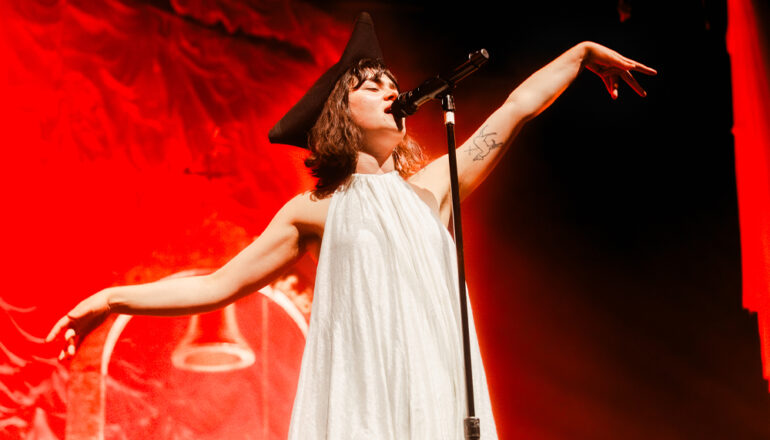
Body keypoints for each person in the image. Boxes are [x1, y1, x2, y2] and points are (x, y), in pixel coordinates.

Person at [46, 12, 655, 440]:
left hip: (438, 399)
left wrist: (579, 55)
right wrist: (111, 299)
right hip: (365, 406)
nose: (390, 89)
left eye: (391, 82)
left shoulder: (433, 189)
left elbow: (513, 110)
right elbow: (217, 285)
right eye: (371, 84)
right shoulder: (314, 210)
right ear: (340, 114)